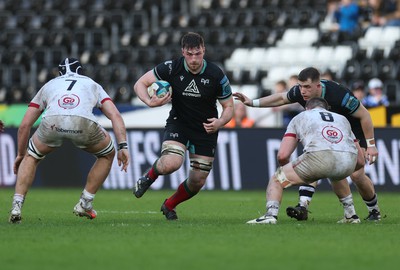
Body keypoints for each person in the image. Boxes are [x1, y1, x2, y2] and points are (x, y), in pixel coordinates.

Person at [234, 67, 381, 221]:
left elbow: (364, 115)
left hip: (352, 130)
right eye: (300, 86)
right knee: (326, 162)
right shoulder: (300, 92)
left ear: (319, 86)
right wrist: (252, 102)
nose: (302, 91)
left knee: (356, 175)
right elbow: (281, 98)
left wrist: (371, 144)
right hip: (330, 134)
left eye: (307, 87)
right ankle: (333, 210)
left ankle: (374, 211)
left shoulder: (340, 95)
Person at [9, 58, 130, 224]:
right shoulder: (91, 83)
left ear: (59, 73)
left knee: (31, 157)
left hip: (52, 121)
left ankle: (17, 205)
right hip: (82, 121)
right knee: (107, 154)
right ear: (81, 71)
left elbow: (25, 125)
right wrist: (123, 146)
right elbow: (115, 115)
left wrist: (21, 154)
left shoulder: (49, 85)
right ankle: (85, 203)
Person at [132, 32, 234, 220]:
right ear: (183, 52)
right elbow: (140, 83)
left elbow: (229, 107)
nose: (194, 59)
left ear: (204, 50)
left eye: (198, 54)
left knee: (197, 181)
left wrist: (220, 122)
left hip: (206, 128)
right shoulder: (171, 68)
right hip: (179, 123)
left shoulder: (216, 74)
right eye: (189, 54)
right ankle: (149, 177)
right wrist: (149, 101)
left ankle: (169, 204)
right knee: (171, 163)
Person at [247, 98, 360, 224]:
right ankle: (351, 215)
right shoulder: (342, 119)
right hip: (349, 159)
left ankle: (270, 215)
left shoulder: (301, 116)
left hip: (320, 156)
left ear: (307, 108)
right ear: (327, 109)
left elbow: (282, 155)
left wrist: (286, 172)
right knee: (336, 174)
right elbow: (360, 160)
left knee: (277, 179)